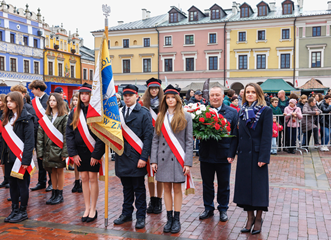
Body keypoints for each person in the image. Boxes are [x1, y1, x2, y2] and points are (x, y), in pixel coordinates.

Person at [228, 83, 272, 235]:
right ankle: (249, 217)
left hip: (258, 156)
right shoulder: (241, 111)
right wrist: (231, 153)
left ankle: (258, 218)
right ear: (244, 94)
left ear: (258, 94)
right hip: (244, 156)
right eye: (248, 92)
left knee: (258, 189)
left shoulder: (266, 111)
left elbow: (266, 136)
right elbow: (236, 134)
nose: (250, 94)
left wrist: (264, 157)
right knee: (246, 189)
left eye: (253, 92)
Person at [150, 84, 193, 233]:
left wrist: (188, 162)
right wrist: (153, 160)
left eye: (172, 98)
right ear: (164, 100)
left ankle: (177, 219)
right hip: (162, 159)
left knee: (177, 189)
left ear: (178, 99)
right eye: (167, 98)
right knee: (166, 189)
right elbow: (155, 140)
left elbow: (189, 141)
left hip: (178, 158)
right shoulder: (160, 117)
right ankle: (168, 219)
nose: (170, 100)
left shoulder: (186, 116)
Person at [113, 84, 153, 229]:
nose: (127, 98)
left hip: (137, 158)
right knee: (126, 188)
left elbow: (148, 137)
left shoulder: (143, 113)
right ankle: (127, 213)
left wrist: (143, 158)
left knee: (139, 189)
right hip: (122, 157)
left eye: (130, 95)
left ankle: (141, 216)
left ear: (136, 96)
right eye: (125, 95)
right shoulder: (117, 112)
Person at [66, 83, 105, 223]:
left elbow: (102, 134)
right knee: (84, 178)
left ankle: (93, 209)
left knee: (93, 178)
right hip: (79, 151)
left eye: (86, 94)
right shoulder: (74, 112)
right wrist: (73, 154)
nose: (83, 96)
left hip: (93, 150)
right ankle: (87, 208)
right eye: (81, 94)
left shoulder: (96, 111)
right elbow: (69, 134)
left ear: (91, 95)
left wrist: (97, 154)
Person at [198, 86, 238, 222]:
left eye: (217, 95)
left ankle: (223, 209)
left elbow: (235, 136)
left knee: (224, 184)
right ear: (209, 98)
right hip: (206, 154)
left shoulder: (232, 112)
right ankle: (208, 208)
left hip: (224, 154)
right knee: (207, 184)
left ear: (222, 96)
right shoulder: (201, 112)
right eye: (212, 95)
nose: (215, 97)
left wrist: (232, 153)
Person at [1, 92, 35, 223]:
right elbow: (3, 140)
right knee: (12, 185)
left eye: (11, 101)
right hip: (9, 157)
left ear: (18, 102)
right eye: (7, 101)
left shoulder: (27, 118)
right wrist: (2, 157)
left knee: (22, 186)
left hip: (20, 158)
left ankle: (23, 211)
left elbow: (29, 141)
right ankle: (14, 210)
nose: (8, 103)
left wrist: (26, 160)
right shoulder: (6, 117)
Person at [37, 93, 68, 205]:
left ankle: (60, 194)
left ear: (58, 102)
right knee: (52, 172)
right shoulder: (46, 118)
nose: (51, 102)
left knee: (59, 171)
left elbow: (66, 136)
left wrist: (65, 152)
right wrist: (40, 152)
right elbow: (40, 137)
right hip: (47, 150)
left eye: (54, 100)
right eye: (50, 100)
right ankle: (54, 193)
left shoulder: (64, 117)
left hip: (58, 150)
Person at [141, 78, 164, 215]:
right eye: (151, 88)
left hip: (162, 144)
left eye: (156, 88)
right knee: (150, 174)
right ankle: (152, 199)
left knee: (160, 174)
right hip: (147, 143)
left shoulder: (165, 104)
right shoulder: (143, 105)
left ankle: (159, 200)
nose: (154, 90)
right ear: (148, 90)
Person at [28, 80, 52, 192]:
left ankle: (52, 182)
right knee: (40, 158)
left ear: (38, 88)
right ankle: (41, 182)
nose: (31, 91)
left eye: (32, 89)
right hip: (38, 133)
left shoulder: (49, 100)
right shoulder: (34, 101)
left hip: (48, 133)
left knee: (49, 158)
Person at [68, 92, 82, 192]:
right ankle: (77, 181)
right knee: (76, 163)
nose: (75, 102)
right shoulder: (71, 112)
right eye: (74, 100)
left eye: (77, 100)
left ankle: (83, 181)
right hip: (75, 141)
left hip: (84, 141)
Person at [0, 94, 8, 188]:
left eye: (1, 100)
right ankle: (5, 179)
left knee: (5, 160)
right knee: (2, 162)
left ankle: (8, 179)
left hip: (4, 137)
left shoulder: (5, 112)